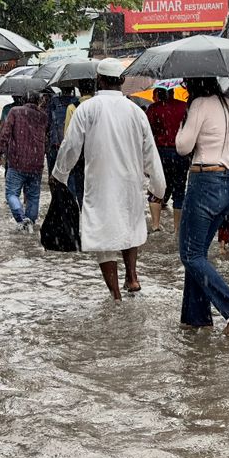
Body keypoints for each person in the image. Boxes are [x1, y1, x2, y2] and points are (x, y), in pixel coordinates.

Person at [52, 59, 165, 300]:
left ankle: (115, 295)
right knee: (130, 226)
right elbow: (150, 153)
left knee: (104, 237)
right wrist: (159, 187)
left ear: (99, 80)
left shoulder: (87, 109)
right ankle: (132, 277)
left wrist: (59, 175)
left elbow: (70, 146)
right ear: (122, 81)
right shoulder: (136, 111)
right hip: (131, 183)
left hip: (100, 183)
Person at [174, 76, 229, 334]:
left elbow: (182, 147)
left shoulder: (199, 104)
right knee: (197, 255)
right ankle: (196, 319)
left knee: (190, 254)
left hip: (203, 181)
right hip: (226, 184)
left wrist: (183, 125)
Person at [0, 91, 48, 230]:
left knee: (12, 193)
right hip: (36, 163)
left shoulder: (15, 112)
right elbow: (46, 137)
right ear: (38, 101)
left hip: (17, 161)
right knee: (33, 197)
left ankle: (21, 218)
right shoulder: (43, 115)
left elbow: (5, 134)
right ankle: (30, 223)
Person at [145, 86, 189, 232]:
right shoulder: (184, 107)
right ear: (173, 92)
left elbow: (147, 134)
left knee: (157, 187)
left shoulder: (153, 109)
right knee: (179, 189)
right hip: (180, 153)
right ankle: (177, 229)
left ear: (158, 93)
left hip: (160, 153)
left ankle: (156, 226)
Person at [45, 86, 78, 174]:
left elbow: (47, 123)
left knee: (53, 173)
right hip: (71, 144)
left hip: (55, 143)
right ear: (72, 90)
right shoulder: (76, 102)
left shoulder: (54, 102)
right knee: (70, 173)